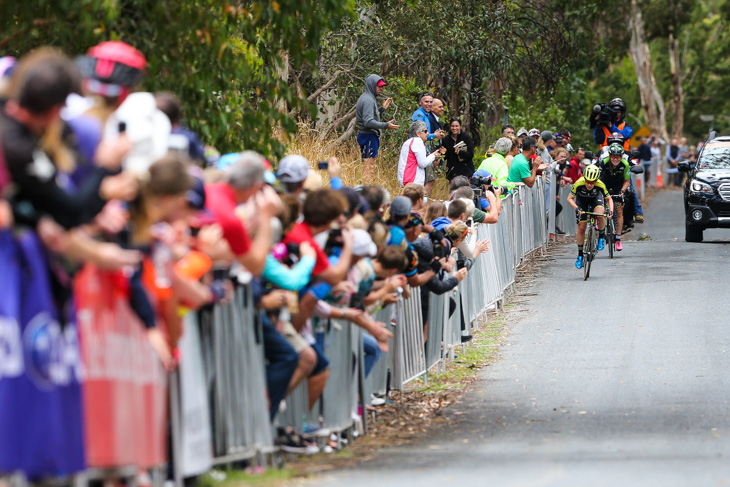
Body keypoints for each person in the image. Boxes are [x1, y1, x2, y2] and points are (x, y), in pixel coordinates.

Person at [567, 164, 613, 269]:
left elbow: (609, 199)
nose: (589, 184)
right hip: (581, 202)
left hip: (595, 200)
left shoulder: (600, 184)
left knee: (600, 215)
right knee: (581, 227)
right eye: (587, 181)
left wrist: (611, 211)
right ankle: (579, 255)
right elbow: (569, 198)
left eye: (592, 182)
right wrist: (576, 208)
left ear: (596, 180)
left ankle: (601, 236)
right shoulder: (579, 183)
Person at [355, 74, 399, 182]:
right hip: (369, 136)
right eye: (379, 86)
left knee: (367, 167)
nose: (381, 89)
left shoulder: (367, 97)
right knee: (368, 169)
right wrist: (386, 125)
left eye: (382, 86)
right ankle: (366, 194)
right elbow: (368, 122)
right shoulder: (368, 100)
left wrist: (382, 109)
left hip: (366, 135)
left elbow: (369, 116)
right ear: (371, 85)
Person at [597, 143, 630, 251]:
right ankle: (599, 220)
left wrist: (622, 191)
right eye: (613, 156)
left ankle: (618, 239)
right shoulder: (604, 162)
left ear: (621, 157)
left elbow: (627, 181)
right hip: (605, 183)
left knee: (619, 210)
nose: (615, 159)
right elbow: (598, 177)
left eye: (618, 157)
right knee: (599, 205)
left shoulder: (625, 165)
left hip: (618, 185)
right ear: (610, 156)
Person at [411, 93, 445, 196]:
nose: (429, 104)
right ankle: (422, 203)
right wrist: (434, 135)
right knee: (429, 180)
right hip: (419, 149)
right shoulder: (419, 114)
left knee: (428, 179)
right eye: (426, 102)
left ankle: (422, 202)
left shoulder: (426, 114)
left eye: (431, 102)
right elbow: (418, 134)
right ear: (421, 103)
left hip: (425, 149)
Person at [397, 120, 441, 186]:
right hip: (413, 181)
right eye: (425, 131)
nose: (428, 133)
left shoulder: (409, 142)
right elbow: (422, 163)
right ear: (418, 133)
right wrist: (433, 156)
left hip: (405, 180)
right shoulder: (418, 142)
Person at [442, 117, 475, 181]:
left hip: (466, 171)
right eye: (452, 126)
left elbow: (471, 154)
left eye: (457, 126)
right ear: (450, 127)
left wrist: (460, 152)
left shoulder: (466, 137)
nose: (454, 128)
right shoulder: (446, 139)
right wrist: (444, 153)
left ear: (460, 126)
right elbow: (446, 157)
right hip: (452, 172)